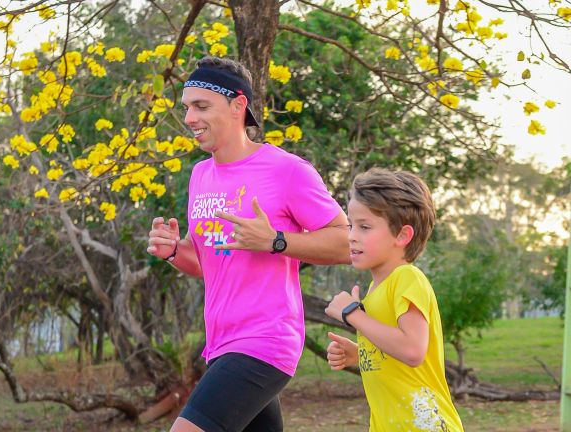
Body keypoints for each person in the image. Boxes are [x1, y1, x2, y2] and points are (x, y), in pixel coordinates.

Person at [146, 55, 351, 432]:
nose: (189, 118)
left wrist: (275, 240)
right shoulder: (200, 175)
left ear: (239, 105)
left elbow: (346, 243)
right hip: (222, 343)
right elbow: (205, 263)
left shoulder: (287, 170)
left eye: (201, 106)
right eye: (187, 107)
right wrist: (174, 250)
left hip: (265, 341)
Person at [324, 168, 463, 432]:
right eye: (351, 225)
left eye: (365, 227)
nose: (352, 235)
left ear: (402, 235)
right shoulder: (377, 289)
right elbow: (396, 351)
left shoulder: (406, 278)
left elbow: (412, 350)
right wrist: (360, 354)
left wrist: (353, 314)